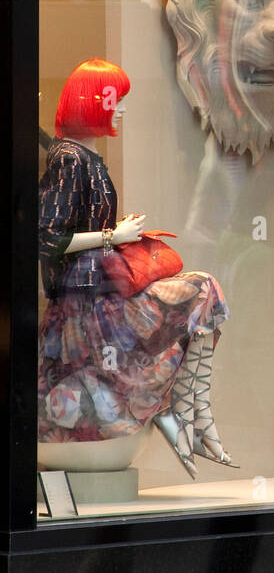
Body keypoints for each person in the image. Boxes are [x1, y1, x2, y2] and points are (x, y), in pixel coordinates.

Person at [38, 57, 232, 477]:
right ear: (95, 101)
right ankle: (182, 410)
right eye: (115, 100)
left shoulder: (81, 156)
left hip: (102, 293)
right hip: (87, 304)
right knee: (201, 289)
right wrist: (115, 237)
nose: (121, 109)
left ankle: (187, 406)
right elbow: (47, 238)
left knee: (203, 291)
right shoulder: (71, 160)